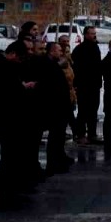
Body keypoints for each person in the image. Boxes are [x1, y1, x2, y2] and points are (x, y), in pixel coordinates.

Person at [0, 40, 41, 203]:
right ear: (13, 54)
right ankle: (7, 191)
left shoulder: (8, 68)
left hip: (14, 119)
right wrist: (21, 87)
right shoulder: (3, 68)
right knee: (9, 157)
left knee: (13, 157)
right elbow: (7, 92)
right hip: (9, 120)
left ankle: (11, 188)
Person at [43, 41, 73, 172]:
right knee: (55, 137)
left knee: (59, 136)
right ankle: (52, 163)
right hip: (55, 107)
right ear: (51, 51)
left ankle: (58, 159)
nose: (61, 53)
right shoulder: (49, 66)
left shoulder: (55, 65)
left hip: (61, 106)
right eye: (59, 50)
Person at [71, 26, 103, 145]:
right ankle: (81, 135)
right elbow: (76, 68)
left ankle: (92, 134)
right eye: (91, 33)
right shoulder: (80, 49)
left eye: (94, 33)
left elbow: (97, 66)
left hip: (94, 85)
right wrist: (77, 84)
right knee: (83, 111)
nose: (93, 35)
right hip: (83, 86)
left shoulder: (96, 47)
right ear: (85, 35)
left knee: (93, 111)